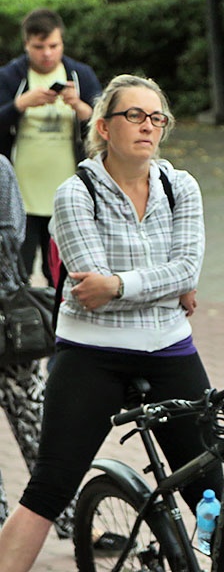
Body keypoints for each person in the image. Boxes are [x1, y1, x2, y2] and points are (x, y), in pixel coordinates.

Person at [0, 75, 222, 571]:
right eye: (135, 116)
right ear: (103, 126)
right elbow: (90, 293)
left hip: (170, 350)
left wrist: (120, 285)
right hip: (91, 354)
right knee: (50, 487)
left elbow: (185, 270)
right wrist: (163, 286)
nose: (149, 126)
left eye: (157, 117)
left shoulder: (180, 185)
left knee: (212, 486)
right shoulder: (74, 193)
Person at [0, 156, 73, 541]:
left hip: (8, 327)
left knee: (37, 422)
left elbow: (12, 240)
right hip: (10, 325)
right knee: (35, 419)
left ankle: (73, 520)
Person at [0, 8, 101, 287]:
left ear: (62, 43)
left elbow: (103, 125)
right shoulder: (10, 76)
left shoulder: (81, 75)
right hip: (21, 196)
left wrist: (80, 106)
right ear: (26, 45)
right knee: (16, 271)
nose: (47, 53)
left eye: (53, 46)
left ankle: (58, 327)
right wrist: (20, 104)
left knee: (63, 273)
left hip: (68, 193)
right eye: (39, 47)